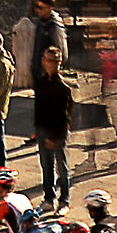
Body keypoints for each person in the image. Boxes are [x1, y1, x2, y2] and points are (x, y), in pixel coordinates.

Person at [33, 43, 74, 211]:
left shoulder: (63, 88)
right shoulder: (41, 83)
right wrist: (37, 130)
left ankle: (64, 200)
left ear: (60, 63)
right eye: (49, 60)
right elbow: (38, 109)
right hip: (42, 130)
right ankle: (49, 198)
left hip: (57, 133)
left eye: (55, 61)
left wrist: (57, 137)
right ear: (44, 61)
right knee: (46, 166)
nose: (51, 64)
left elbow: (65, 116)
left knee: (61, 168)